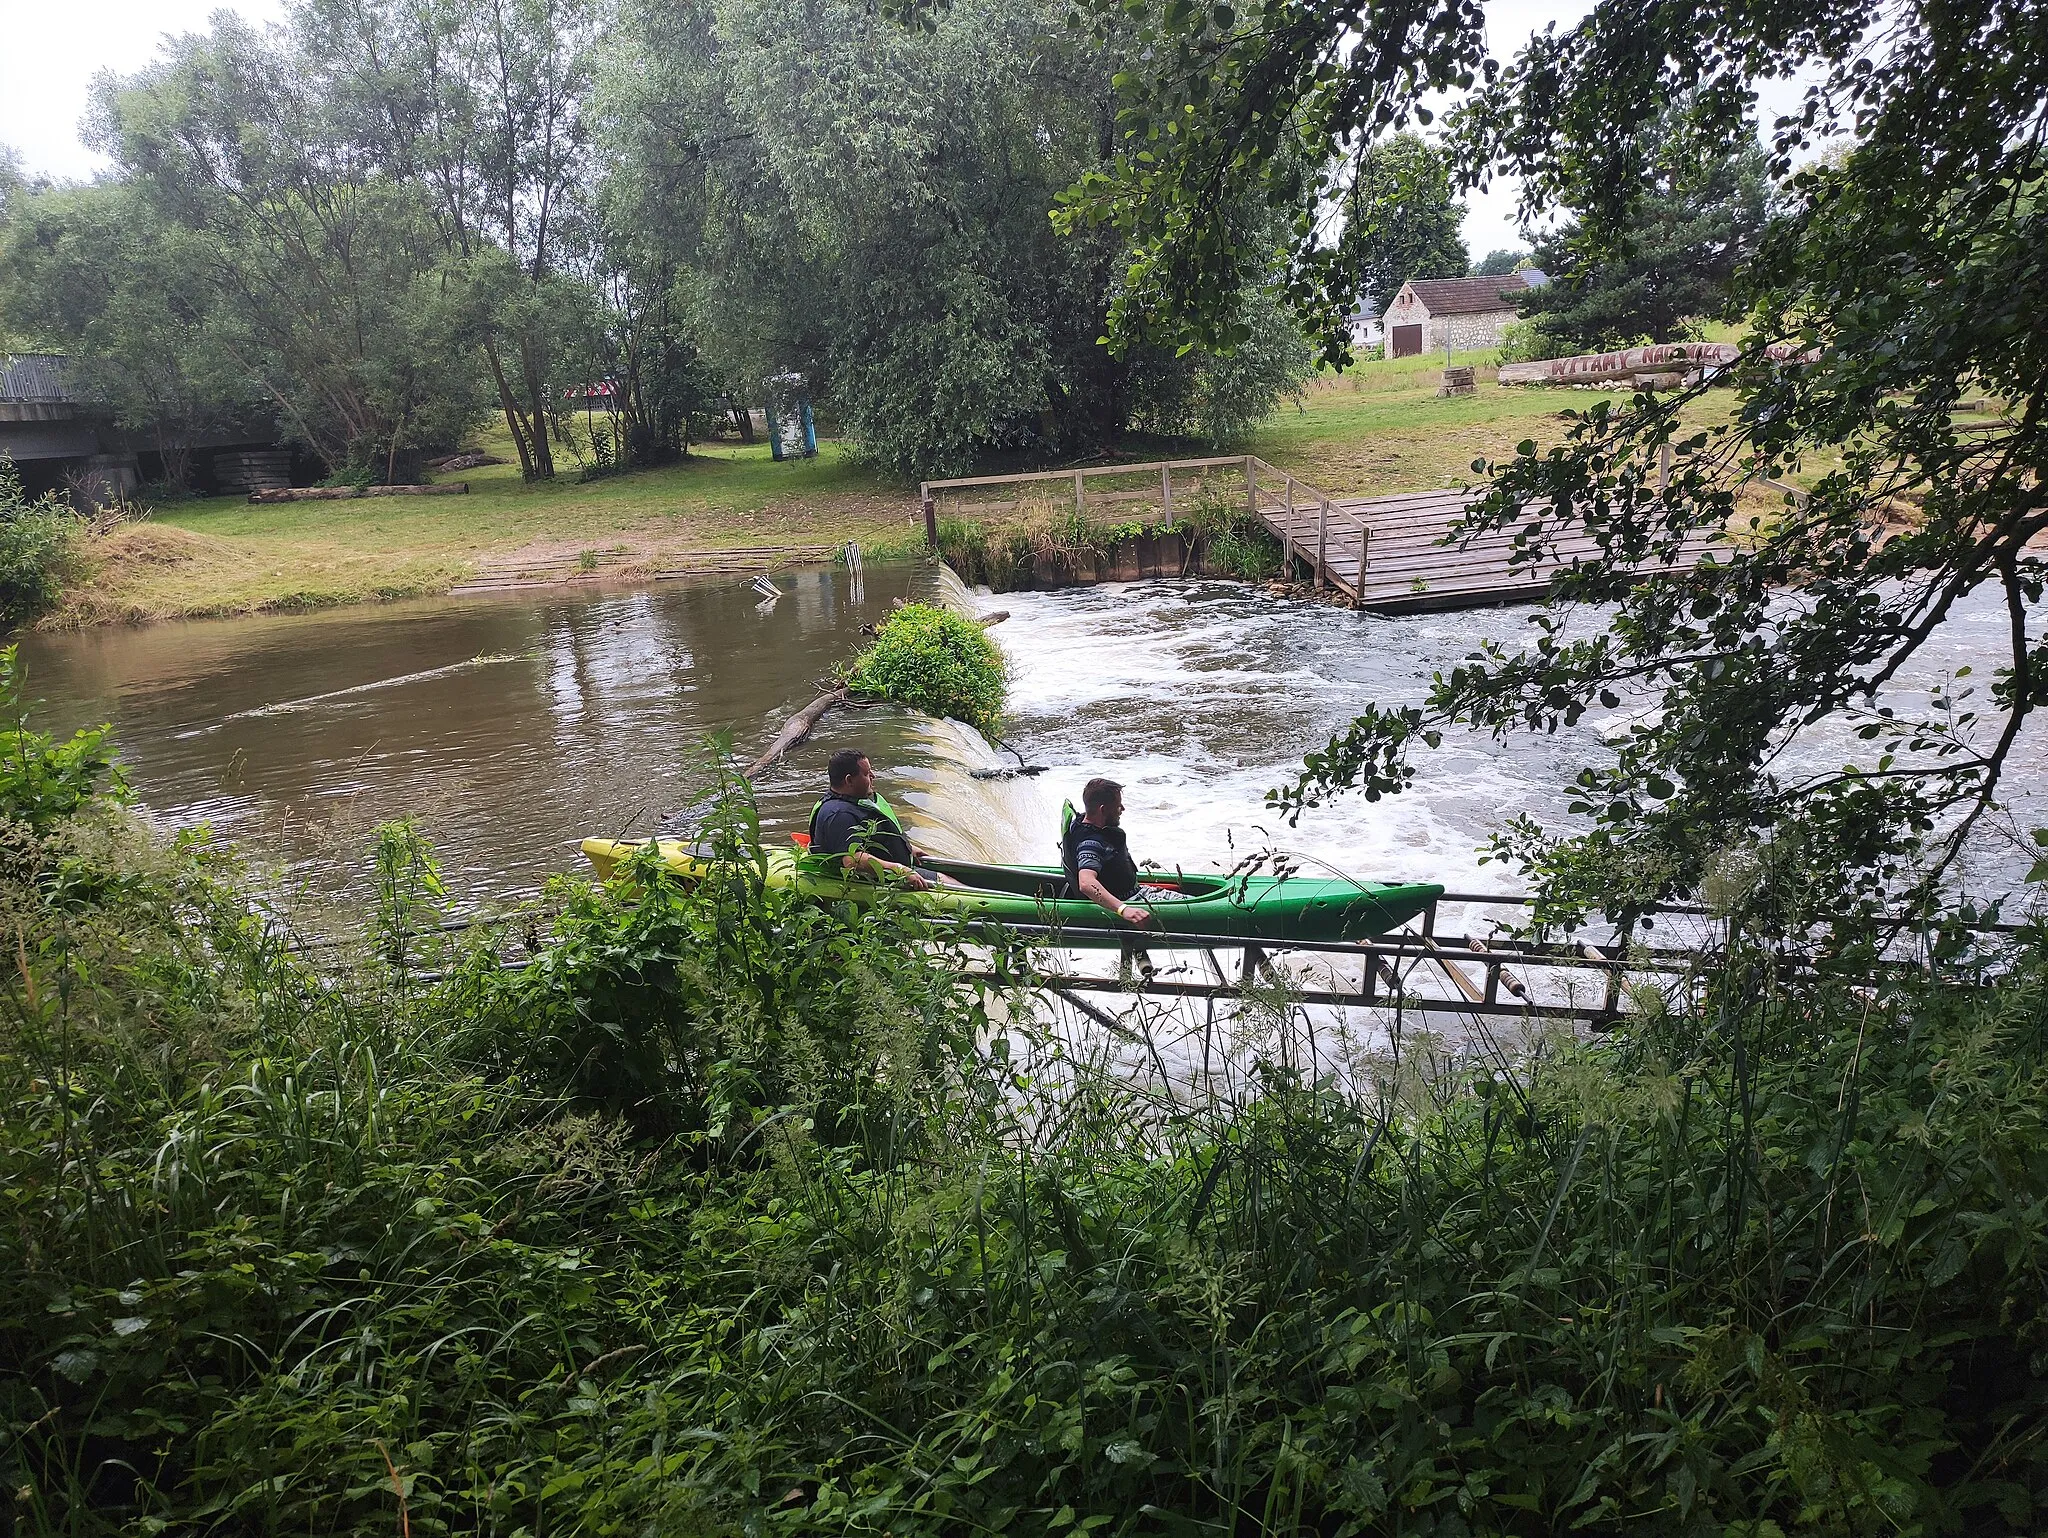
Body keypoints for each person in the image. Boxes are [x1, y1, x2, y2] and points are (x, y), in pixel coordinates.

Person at [809, 748, 934, 891]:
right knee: (951, 883)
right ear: (849, 780)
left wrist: (907, 847)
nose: (873, 776)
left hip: (901, 869)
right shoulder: (839, 815)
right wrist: (898, 869)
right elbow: (852, 860)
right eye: (866, 773)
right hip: (883, 882)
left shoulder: (855, 803)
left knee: (950, 878)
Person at [1061, 777, 1156, 927]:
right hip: (1130, 901)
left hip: (1135, 893)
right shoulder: (1091, 843)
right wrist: (1123, 910)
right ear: (1103, 810)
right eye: (1118, 806)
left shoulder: (1083, 823)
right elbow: (1086, 883)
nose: (1122, 809)